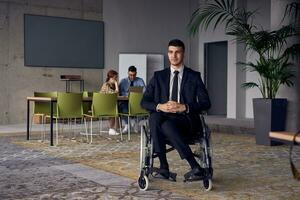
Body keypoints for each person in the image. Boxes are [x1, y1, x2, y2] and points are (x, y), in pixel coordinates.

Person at [141, 39, 211, 181]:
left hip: (186, 121)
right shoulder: (158, 76)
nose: (174, 55)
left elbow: (206, 103)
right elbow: (144, 102)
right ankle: (194, 166)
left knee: (159, 121)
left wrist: (184, 107)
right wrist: (160, 106)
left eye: (177, 52)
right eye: (171, 52)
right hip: (163, 119)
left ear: (183, 54)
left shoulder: (194, 76)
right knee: (157, 118)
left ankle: (164, 167)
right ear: (168, 54)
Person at [119, 65, 146, 133]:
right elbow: (119, 93)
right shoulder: (123, 81)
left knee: (145, 107)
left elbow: (145, 91)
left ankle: (136, 123)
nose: (132, 77)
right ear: (128, 73)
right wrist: (127, 94)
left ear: (136, 73)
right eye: (130, 75)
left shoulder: (140, 80)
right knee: (122, 106)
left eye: (134, 75)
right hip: (126, 101)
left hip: (137, 101)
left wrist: (137, 95)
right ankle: (127, 124)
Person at [100, 69, 120, 136]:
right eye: (115, 78)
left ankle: (113, 128)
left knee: (116, 107)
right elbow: (114, 95)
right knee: (114, 109)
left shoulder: (112, 85)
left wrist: (116, 85)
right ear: (110, 78)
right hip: (102, 105)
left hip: (108, 104)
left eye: (116, 78)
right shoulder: (106, 85)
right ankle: (111, 129)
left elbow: (117, 95)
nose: (116, 79)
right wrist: (116, 84)